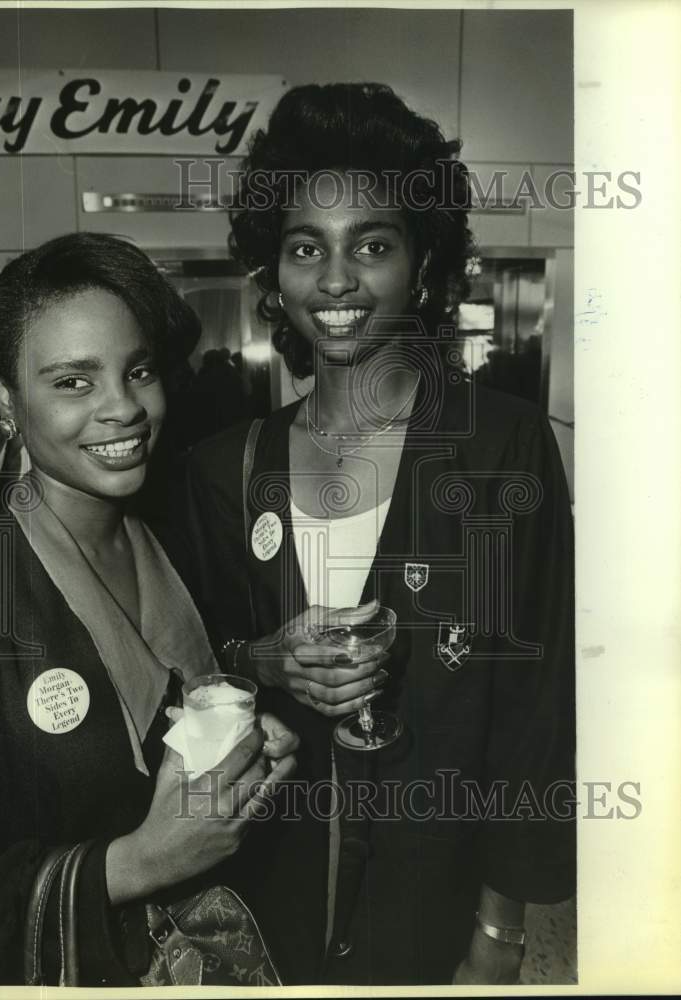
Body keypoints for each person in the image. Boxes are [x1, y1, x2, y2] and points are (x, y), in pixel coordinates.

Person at [183, 83, 575, 985]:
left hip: (428, 891)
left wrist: (500, 932)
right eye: (303, 249)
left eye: (371, 245)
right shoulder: (225, 469)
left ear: (423, 264)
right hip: (263, 887)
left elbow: (533, 700)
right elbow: (185, 667)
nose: (334, 281)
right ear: (271, 276)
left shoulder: (498, 444)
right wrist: (263, 661)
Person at [0, 232, 300, 987]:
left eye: (138, 370)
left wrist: (249, 743)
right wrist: (132, 865)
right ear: (4, 402)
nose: (124, 408)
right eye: (73, 383)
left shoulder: (178, 548)